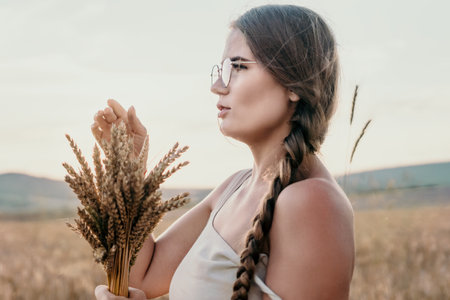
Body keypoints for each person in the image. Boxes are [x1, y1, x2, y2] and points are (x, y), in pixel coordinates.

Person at [92, 4, 355, 300]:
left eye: (239, 67)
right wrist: (128, 172)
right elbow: (142, 276)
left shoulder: (311, 202)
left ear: (294, 84)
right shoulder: (232, 189)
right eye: (221, 70)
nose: (217, 86)